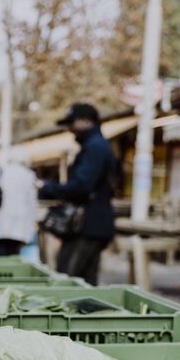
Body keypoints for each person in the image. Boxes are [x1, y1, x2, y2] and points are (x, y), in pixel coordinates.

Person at [39, 103, 115, 285]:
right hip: (94, 223)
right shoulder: (96, 145)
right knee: (85, 280)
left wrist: (48, 188)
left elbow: (81, 187)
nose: (70, 128)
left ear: (86, 121)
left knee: (67, 279)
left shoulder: (94, 147)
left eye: (72, 122)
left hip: (88, 225)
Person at [0, 147, 38, 256]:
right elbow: (32, 202)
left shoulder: (0, 171)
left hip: (0, 221)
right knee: (14, 255)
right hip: (20, 224)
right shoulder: (29, 175)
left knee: (1, 254)